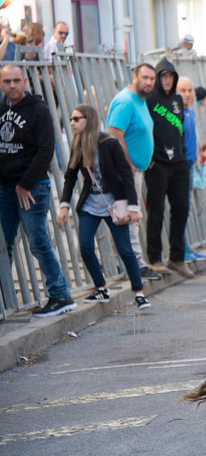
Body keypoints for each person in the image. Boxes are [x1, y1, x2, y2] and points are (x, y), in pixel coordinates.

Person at [0, 65, 75, 317]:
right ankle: (5, 299)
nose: (12, 85)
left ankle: (60, 295)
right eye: (6, 81)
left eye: (16, 80)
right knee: (4, 244)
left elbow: (46, 152)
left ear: (24, 81)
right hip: (6, 189)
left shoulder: (38, 110)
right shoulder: (1, 109)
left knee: (37, 242)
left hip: (32, 189)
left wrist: (25, 183)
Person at [57, 105, 150, 309]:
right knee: (85, 246)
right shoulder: (77, 144)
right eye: (71, 119)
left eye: (76, 119)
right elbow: (70, 177)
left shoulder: (109, 143)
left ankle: (139, 292)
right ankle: (101, 288)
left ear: (88, 120)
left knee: (125, 249)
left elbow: (127, 174)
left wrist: (133, 207)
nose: (71, 122)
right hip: (90, 204)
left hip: (113, 204)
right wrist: (64, 204)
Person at [106, 62, 159, 280]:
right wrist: (129, 164)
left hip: (137, 171)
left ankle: (131, 263)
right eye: (144, 77)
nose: (148, 82)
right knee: (130, 217)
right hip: (125, 174)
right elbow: (114, 134)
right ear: (134, 76)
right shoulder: (126, 101)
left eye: (151, 79)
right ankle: (134, 264)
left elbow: (137, 133)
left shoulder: (140, 100)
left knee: (132, 217)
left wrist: (145, 158)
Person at [144, 58, 194, 279]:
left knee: (181, 209)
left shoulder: (177, 99)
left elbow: (180, 129)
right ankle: (154, 259)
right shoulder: (149, 99)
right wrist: (148, 157)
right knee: (156, 212)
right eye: (163, 76)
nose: (166, 80)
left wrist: (182, 151)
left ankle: (177, 258)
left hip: (179, 163)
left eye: (170, 76)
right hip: (158, 164)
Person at [176, 77, 205, 263]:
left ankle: (186, 247)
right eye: (183, 91)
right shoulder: (176, 114)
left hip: (190, 166)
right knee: (180, 210)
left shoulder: (190, 112)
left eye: (189, 90)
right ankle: (181, 250)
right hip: (180, 168)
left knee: (186, 209)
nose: (187, 95)